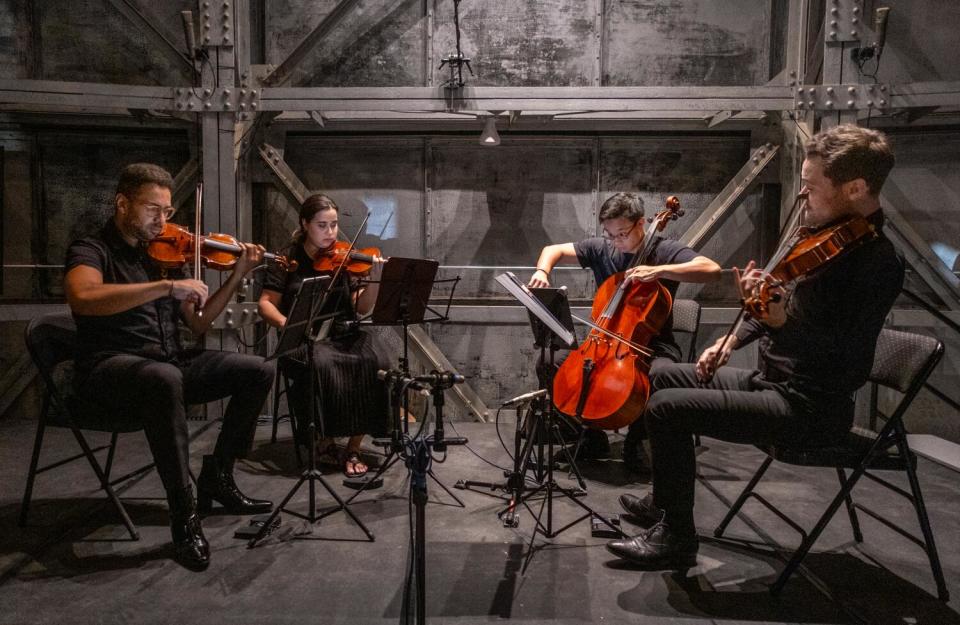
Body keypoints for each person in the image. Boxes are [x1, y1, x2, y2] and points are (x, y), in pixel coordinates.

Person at [606, 124, 904, 569]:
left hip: (811, 408)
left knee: (667, 407)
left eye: (811, 187)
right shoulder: (823, 238)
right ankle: (665, 500)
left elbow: (841, 358)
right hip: (772, 382)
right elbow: (771, 303)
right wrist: (731, 340)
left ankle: (676, 537)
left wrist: (783, 323)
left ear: (856, 187)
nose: (802, 197)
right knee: (662, 374)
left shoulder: (877, 262)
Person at [64, 163, 275, 571]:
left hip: (168, 363)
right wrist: (164, 286)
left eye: (167, 212)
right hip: (110, 370)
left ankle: (218, 476)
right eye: (152, 209)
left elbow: (198, 323)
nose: (162, 220)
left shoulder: (165, 255)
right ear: (122, 204)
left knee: (258, 369)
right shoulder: (91, 249)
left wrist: (237, 275)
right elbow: (83, 297)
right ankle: (184, 515)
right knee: (163, 378)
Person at [528, 192, 721, 467]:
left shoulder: (662, 250)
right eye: (609, 234)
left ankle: (639, 440)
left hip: (652, 345)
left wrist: (660, 271)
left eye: (621, 234)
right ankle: (591, 436)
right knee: (550, 361)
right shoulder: (601, 248)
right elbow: (552, 250)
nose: (615, 242)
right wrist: (542, 271)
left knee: (659, 374)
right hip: (605, 343)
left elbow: (711, 269)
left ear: (641, 223)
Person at [258, 193, 391, 479]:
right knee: (322, 364)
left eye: (333, 225)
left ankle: (354, 446)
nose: (330, 233)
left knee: (379, 360)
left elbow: (361, 307)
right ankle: (325, 441)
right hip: (302, 339)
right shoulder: (286, 259)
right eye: (322, 225)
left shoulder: (342, 258)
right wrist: (288, 325)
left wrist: (377, 280)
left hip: (342, 333)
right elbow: (266, 303)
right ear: (305, 223)